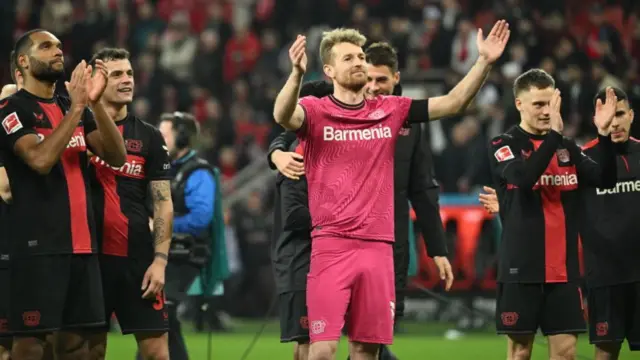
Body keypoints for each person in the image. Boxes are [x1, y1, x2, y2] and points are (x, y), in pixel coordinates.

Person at [273, 21, 509, 360]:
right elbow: (282, 114)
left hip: (378, 250)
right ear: (329, 70)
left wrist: (484, 62)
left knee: (366, 351)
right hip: (330, 247)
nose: (358, 62)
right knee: (321, 350)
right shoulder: (315, 111)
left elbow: (454, 103)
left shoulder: (391, 111)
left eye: (359, 56)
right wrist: (296, 75)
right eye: (348, 58)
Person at [481, 87, 640, 360]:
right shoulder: (503, 143)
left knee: (566, 354)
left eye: (550, 104)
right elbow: (524, 179)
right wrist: (554, 136)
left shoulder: (568, 149)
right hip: (523, 270)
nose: (546, 111)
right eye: (539, 104)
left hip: (564, 272)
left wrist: (602, 135)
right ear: (519, 103)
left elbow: (606, 180)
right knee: (520, 353)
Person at [0, 29, 127, 360]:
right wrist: (77, 109)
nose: (58, 51)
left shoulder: (73, 107)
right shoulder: (11, 109)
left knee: (76, 346)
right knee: (30, 345)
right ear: (23, 62)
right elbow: (40, 160)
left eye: (58, 46)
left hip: (82, 246)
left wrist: (94, 104)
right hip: (39, 247)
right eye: (46, 47)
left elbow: (117, 156)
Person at [83, 48, 173, 360]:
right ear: (97, 80)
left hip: (137, 259)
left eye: (130, 74)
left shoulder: (149, 136)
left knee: (157, 353)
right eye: (117, 74)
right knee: (89, 351)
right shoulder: (78, 129)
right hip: (89, 260)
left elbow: (163, 203)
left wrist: (160, 261)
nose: (126, 80)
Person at [157, 112, 217, 360]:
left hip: (185, 254)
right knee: (161, 318)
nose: (158, 140)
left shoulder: (198, 172)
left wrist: (159, 226)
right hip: (165, 253)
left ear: (182, 138)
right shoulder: (165, 167)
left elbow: (201, 218)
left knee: (162, 313)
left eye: (164, 134)